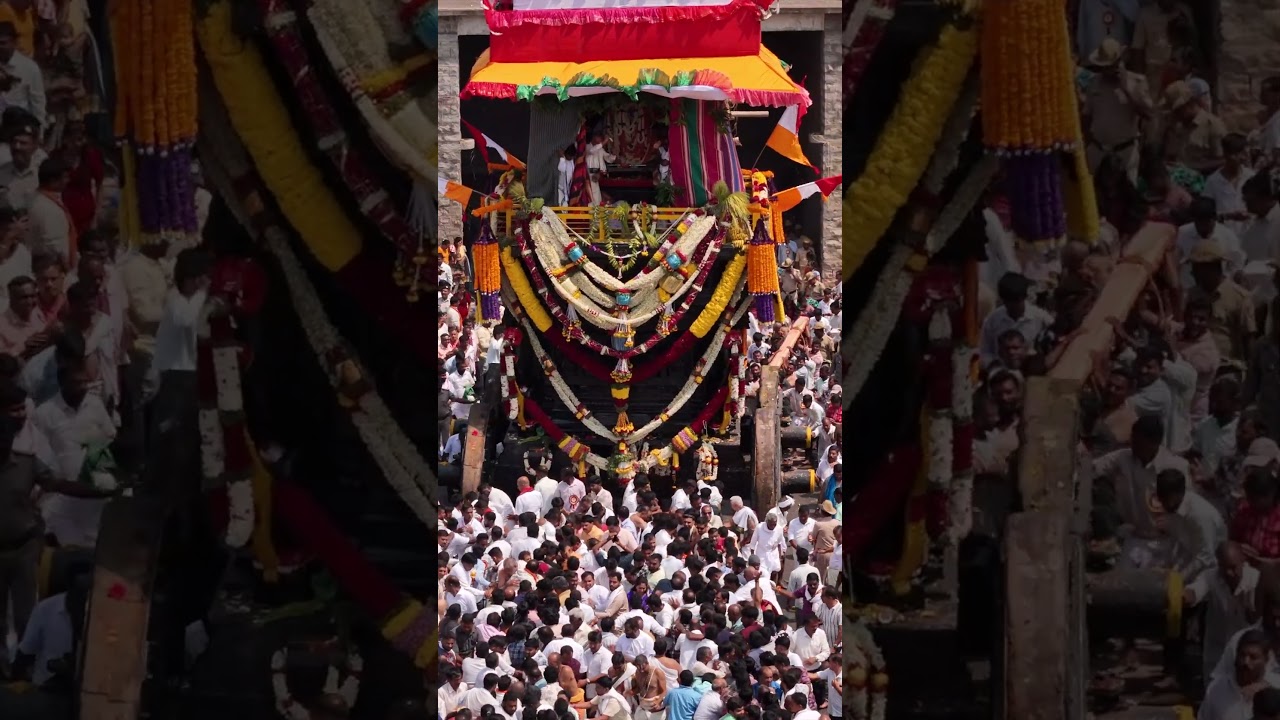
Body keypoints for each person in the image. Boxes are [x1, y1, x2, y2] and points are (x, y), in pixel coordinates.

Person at [1081, 37, 1153, 181]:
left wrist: (1126, 89)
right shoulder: (1094, 83)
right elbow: (1086, 116)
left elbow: (1149, 114)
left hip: (1124, 152)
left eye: (1109, 66)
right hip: (1098, 151)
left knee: (1127, 197)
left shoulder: (1137, 82)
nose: (1106, 70)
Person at [1199, 628, 1279, 719]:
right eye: (1242, 655)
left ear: (1266, 659)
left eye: (1253, 657)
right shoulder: (1217, 688)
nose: (1246, 662)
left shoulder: (1276, 685)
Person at [25, 156, 72, 266]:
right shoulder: (47, 208)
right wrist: (65, 270)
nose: (68, 181)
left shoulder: (38, 199)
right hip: (53, 269)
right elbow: (55, 246)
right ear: (53, 181)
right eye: (65, 177)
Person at [0, 21, 44, 128]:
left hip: (17, 128)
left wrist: (39, 133)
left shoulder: (29, 68)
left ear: (14, 42)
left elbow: (38, 103)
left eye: (3, 43)